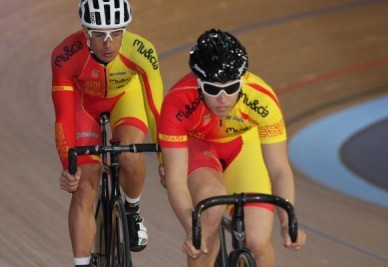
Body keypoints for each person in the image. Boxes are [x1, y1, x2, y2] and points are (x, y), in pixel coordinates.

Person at [157, 28, 306, 267]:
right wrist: (193, 230)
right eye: (213, 90)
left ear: (243, 79)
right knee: (207, 219)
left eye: (231, 88)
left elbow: (279, 169)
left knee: (257, 242)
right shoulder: (177, 102)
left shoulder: (262, 99)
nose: (223, 99)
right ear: (198, 82)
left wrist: (288, 221)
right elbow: (175, 179)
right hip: (199, 147)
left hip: (243, 148)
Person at [51, 0, 163, 266]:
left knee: (129, 153)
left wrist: (165, 160)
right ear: (85, 30)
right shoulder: (65, 55)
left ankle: (133, 210)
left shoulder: (142, 51)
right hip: (83, 106)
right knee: (85, 187)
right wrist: (69, 166)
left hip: (126, 98)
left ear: (125, 30)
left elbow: (156, 110)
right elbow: (64, 117)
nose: (108, 43)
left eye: (116, 33)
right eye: (99, 34)